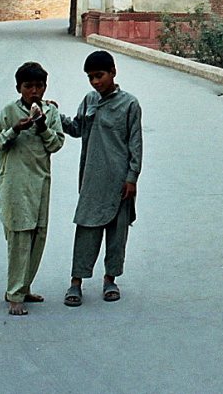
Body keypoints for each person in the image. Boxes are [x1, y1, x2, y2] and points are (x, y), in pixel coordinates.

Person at [61, 50, 142, 306]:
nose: (95, 82)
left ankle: (110, 279)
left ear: (113, 73)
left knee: (117, 234)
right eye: (90, 77)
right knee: (86, 228)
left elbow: (135, 144)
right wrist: (55, 116)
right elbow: (76, 128)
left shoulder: (129, 104)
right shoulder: (89, 101)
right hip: (92, 179)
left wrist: (132, 177)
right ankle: (76, 282)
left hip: (120, 181)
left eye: (99, 75)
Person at [0, 61, 64, 315]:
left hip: (40, 182)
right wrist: (15, 129)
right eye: (28, 86)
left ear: (45, 87)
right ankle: (14, 294)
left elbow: (56, 145)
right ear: (18, 87)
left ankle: (25, 286)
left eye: (39, 86)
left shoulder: (51, 114)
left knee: (37, 235)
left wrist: (42, 127)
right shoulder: (9, 112)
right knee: (19, 236)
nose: (34, 91)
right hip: (14, 182)